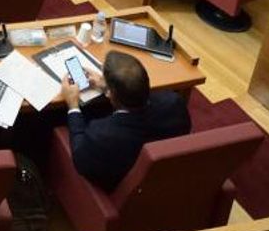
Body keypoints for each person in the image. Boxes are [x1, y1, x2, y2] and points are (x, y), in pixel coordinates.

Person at [59, 52, 190, 193]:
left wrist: (73, 106)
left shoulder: (102, 135)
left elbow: (80, 159)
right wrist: (107, 87)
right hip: (162, 181)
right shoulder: (174, 103)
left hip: (116, 191)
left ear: (110, 94)